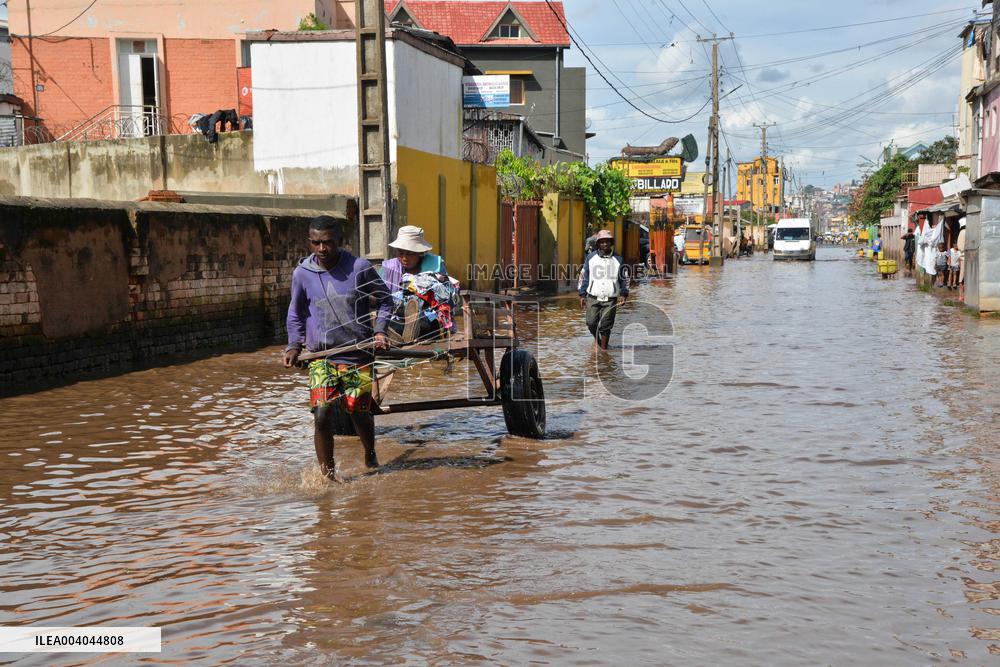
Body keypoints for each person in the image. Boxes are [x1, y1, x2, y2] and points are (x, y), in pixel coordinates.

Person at [283, 215, 393, 480]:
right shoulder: (302, 274)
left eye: (328, 242)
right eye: (316, 243)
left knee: (358, 410)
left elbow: (386, 301)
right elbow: (295, 313)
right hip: (321, 356)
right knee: (321, 414)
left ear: (339, 241)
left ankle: (369, 452)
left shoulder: (359, 268)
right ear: (310, 242)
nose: (322, 249)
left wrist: (380, 331)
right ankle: (328, 477)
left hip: (357, 354)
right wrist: (293, 345)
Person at [379, 226, 456, 343]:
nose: (404, 258)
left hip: (429, 319)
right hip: (396, 316)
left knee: (424, 322)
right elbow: (378, 295)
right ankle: (400, 334)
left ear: (420, 252)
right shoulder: (388, 268)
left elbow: (447, 296)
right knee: (392, 323)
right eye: (401, 253)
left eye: (410, 254)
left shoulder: (435, 267)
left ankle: (408, 331)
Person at [578, 229, 629, 350]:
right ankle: (599, 342)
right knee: (591, 323)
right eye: (602, 242)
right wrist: (582, 294)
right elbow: (584, 276)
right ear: (598, 244)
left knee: (606, 325)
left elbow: (625, 278)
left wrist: (623, 294)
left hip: (610, 299)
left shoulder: (618, 259)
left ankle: (604, 351)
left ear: (611, 243)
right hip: (593, 297)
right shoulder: (591, 258)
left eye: (607, 241)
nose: (605, 244)